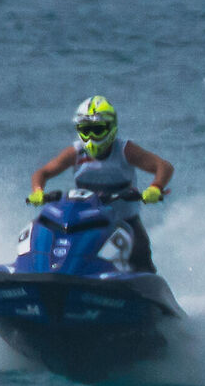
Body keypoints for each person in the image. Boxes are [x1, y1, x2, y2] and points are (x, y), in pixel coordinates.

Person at [29, 95, 174, 270]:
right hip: (87, 221)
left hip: (125, 221)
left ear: (110, 128)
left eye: (97, 130)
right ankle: (44, 270)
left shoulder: (125, 150)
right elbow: (42, 173)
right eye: (85, 130)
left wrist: (155, 188)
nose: (91, 137)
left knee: (141, 253)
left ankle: (145, 287)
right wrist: (38, 191)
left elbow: (163, 167)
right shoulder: (76, 152)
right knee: (52, 235)